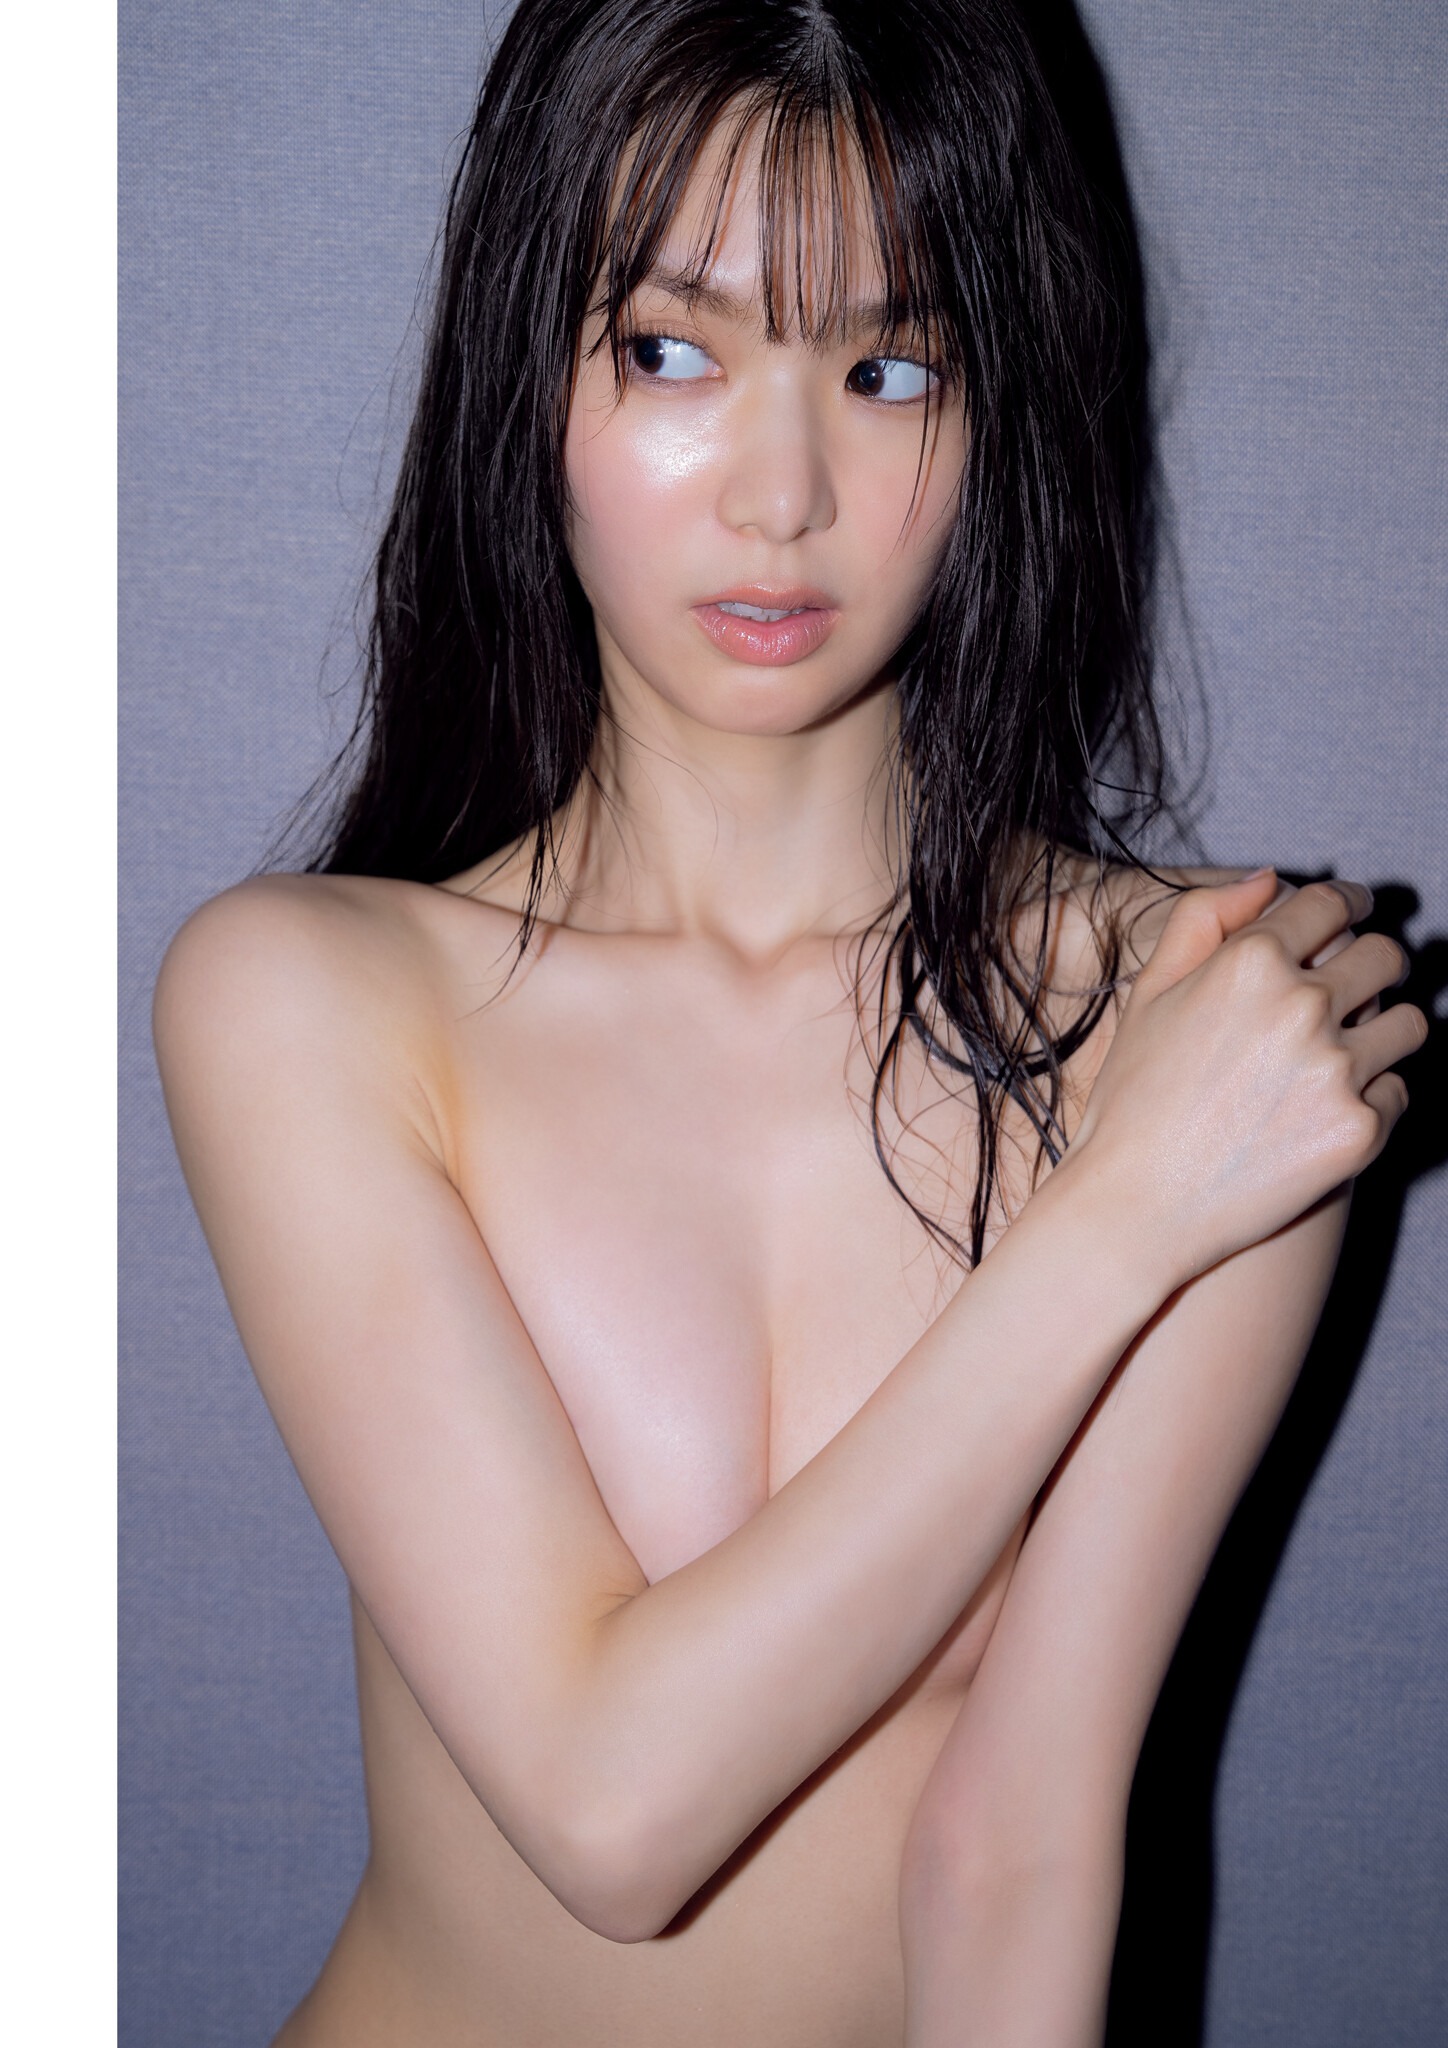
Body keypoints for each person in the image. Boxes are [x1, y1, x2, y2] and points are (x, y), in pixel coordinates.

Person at [151, 2, 1425, 2042]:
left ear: (999, 412)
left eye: (885, 367)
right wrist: (1120, 1217)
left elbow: (1015, 1850)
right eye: (673, 351)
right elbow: (610, 1806)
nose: (781, 494)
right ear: (529, 375)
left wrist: (1179, 1154)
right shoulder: (310, 998)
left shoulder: (1202, 1025)